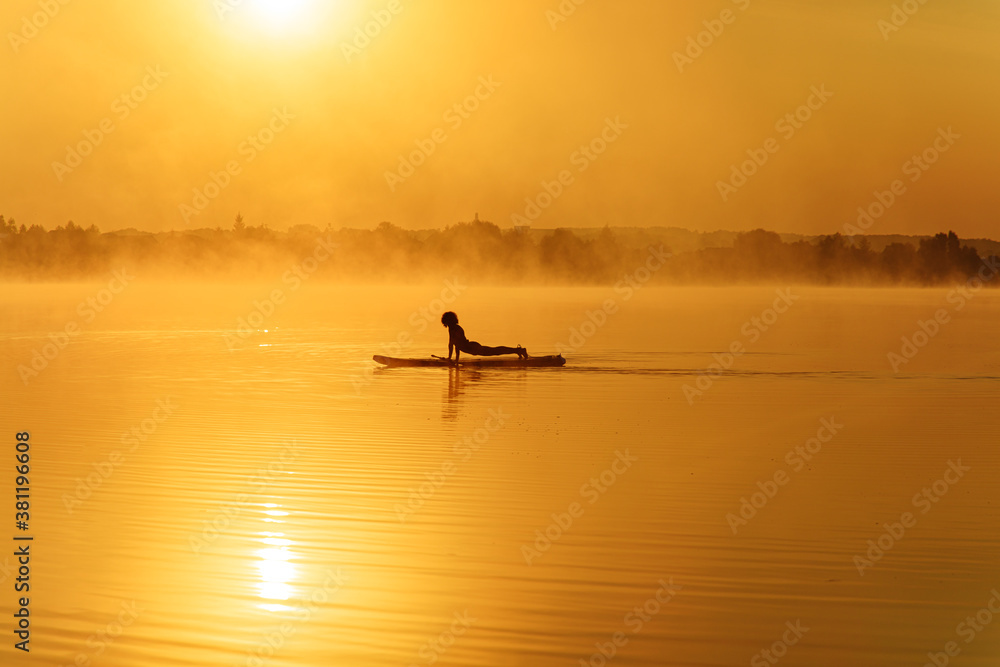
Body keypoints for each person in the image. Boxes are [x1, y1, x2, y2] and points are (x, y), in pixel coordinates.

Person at [441, 311, 527, 361]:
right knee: (495, 351)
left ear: (449, 321)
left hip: (473, 348)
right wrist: (454, 359)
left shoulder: (456, 329)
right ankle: (518, 351)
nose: (446, 324)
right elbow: (455, 345)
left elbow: (455, 344)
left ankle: (519, 350)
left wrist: (452, 359)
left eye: (446, 322)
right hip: (471, 348)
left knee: (495, 351)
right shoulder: (451, 328)